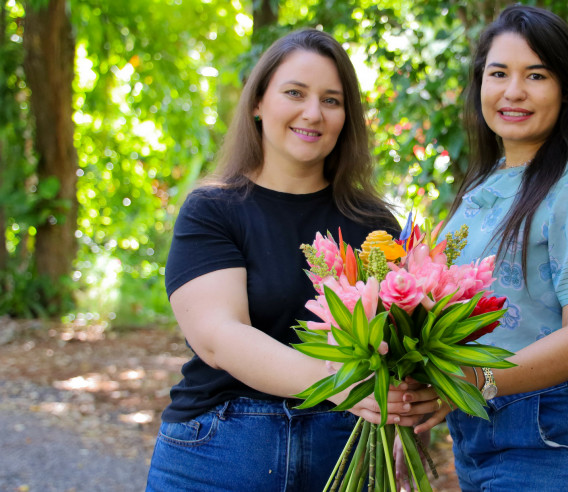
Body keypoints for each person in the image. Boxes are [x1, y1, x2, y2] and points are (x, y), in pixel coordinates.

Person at [146, 29, 435, 491]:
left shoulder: (375, 224)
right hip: (222, 452)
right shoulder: (213, 210)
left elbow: (398, 345)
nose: (313, 113)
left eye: (332, 100)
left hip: (347, 454)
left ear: (347, 118)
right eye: (295, 93)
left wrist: (405, 421)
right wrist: (341, 383)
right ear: (258, 103)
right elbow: (221, 337)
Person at [410, 5, 568, 491]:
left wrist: (474, 382)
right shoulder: (480, 190)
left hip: (553, 428)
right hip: (477, 427)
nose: (513, 91)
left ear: (566, 89)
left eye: (536, 75)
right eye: (499, 73)